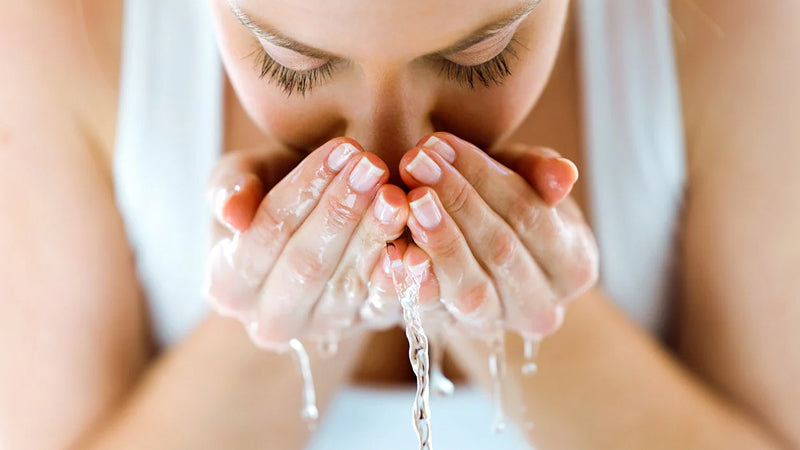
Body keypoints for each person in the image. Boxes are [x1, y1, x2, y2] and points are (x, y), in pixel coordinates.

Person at [1, 0, 798, 448]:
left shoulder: (740, 26)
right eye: (292, 63)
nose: (386, 155)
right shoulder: (60, 31)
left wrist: (522, 315)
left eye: (481, 56)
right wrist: (285, 329)